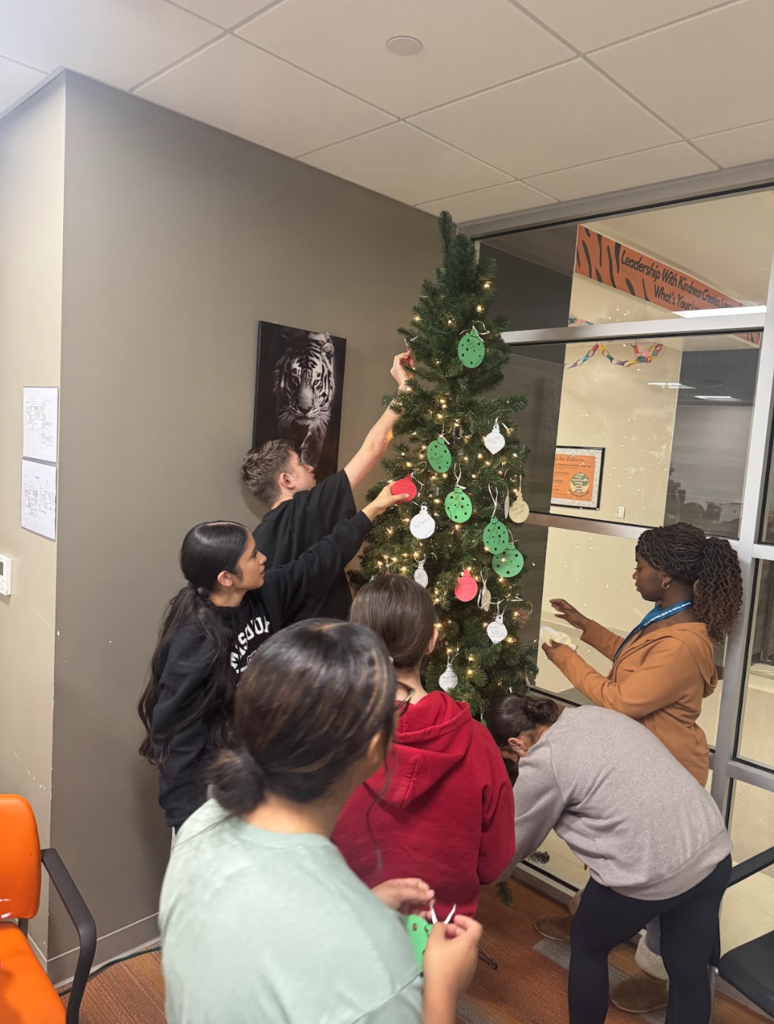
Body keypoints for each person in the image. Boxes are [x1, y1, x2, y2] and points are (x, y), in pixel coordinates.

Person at [160, 620, 484, 1024]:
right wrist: (441, 990)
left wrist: (361, 907)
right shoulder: (380, 970)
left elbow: (260, 945)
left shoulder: (201, 825)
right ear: (373, 749)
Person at [540, 522, 742, 1011]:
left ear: (668, 577)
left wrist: (563, 656)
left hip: (667, 779)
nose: (635, 574)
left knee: (661, 902)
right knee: (635, 890)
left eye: (643, 567)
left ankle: (654, 973)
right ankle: (596, 921)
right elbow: (631, 660)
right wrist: (585, 626)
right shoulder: (668, 620)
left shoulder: (681, 641)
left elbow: (622, 697)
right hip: (649, 770)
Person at [138, 484, 401, 833]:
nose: (262, 557)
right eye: (251, 555)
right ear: (225, 578)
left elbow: (317, 562)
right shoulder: (196, 641)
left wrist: (371, 512)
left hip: (253, 769)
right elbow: (177, 739)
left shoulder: (263, 593)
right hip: (210, 790)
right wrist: (187, 824)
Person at [486, 694, 732, 1024]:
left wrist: (474, 874)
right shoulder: (591, 716)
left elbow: (511, 843)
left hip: (650, 870)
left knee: (587, 941)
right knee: (687, 968)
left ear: (516, 743)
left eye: (510, 756)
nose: (516, 763)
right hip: (709, 849)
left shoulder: (543, 760)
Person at [333, 576, 515, 918]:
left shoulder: (326, 736)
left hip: (350, 927)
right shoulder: (477, 742)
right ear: (431, 641)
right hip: (443, 933)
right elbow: (494, 863)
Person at [241, 351, 413, 623]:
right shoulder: (307, 508)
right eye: (300, 463)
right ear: (286, 481)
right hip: (332, 646)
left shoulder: (257, 542)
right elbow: (373, 448)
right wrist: (405, 390)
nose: (310, 467)